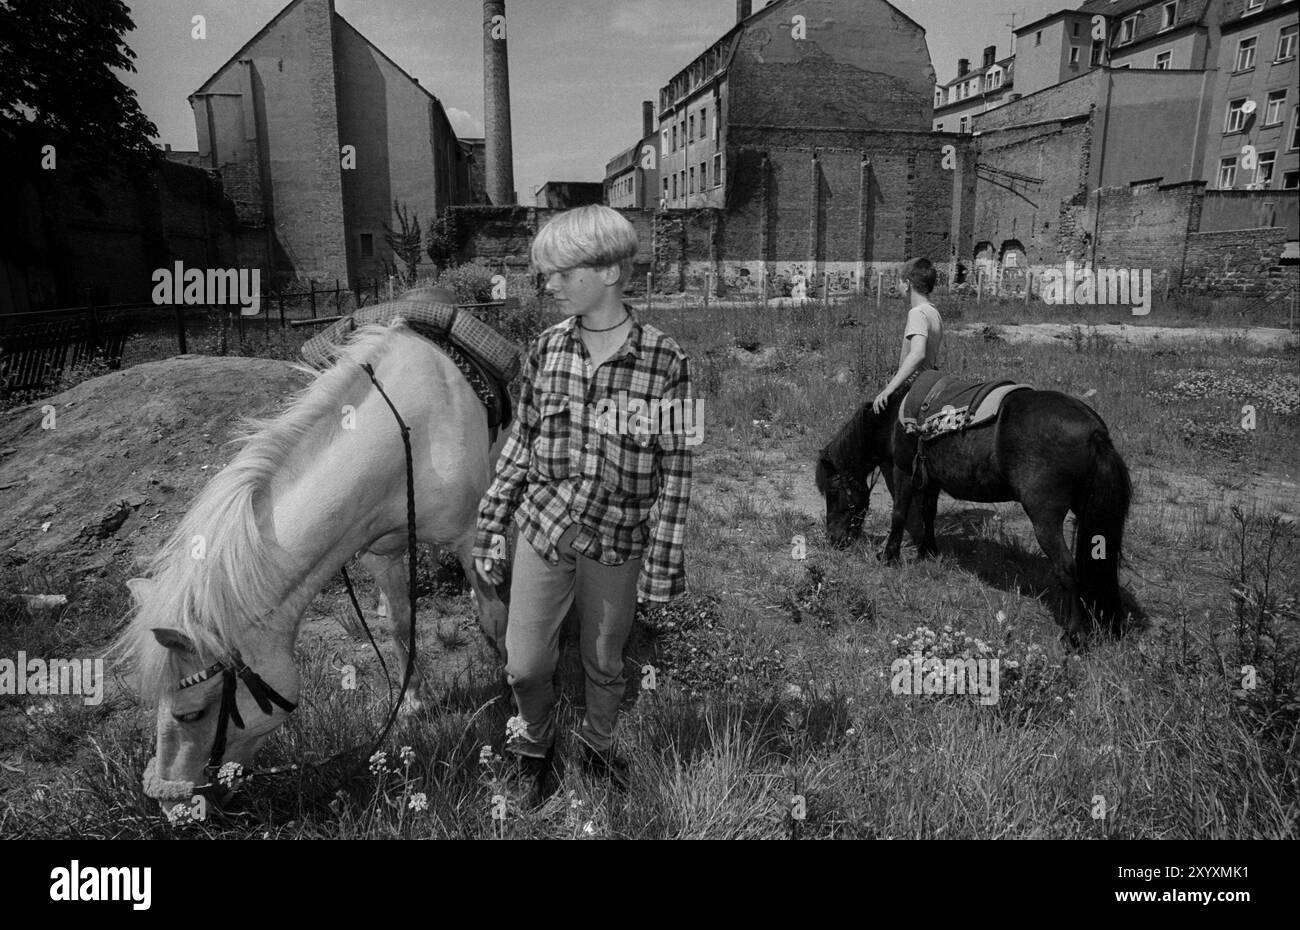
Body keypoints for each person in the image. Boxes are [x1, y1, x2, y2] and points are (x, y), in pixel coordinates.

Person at [472, 205, 694, 803]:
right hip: (542, 527)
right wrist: (492, 525)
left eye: (562, 273)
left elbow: (677, 466)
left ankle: (597, 744)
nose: (550, 285)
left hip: (618, 538)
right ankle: (533, 746)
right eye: (548, 274)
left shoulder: (666, 361)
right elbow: (521, 442)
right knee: (524, 665)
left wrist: (664, 561)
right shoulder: (545, 350)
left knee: (604, 661)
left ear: (610, 271)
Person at [872, 258, 943, 414]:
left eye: (900, 282)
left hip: (915, 387)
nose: (898, 287)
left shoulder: (917, 313)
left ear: (907, 284)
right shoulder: (933, 312)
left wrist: (889, 389)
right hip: (930, 383)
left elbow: (918, 354)